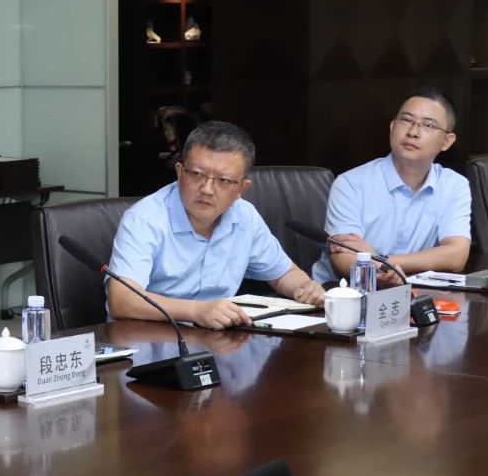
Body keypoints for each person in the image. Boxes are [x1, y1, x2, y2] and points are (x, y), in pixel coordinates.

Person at [108, 121, 325, 329]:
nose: (207, 189)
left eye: (223, 181)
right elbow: (123, 299)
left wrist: (305, 287)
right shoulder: (144, 219)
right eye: (196, 174)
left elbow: (283, 274)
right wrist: (196, 311)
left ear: (242, 188)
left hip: (216, 337)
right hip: (152, 337)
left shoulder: (244, 216)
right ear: (179, 172)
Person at [312, 87, 470, 286]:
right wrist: (384, 266)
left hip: (408, 292)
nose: (413, 132)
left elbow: (456, 256)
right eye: (406, 120)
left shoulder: (454, 185)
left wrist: (382, 261)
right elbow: (344, 260)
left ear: (447, 141)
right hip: (340, 293)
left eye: (428, 125)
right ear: (392, 128)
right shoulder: (351, 184)